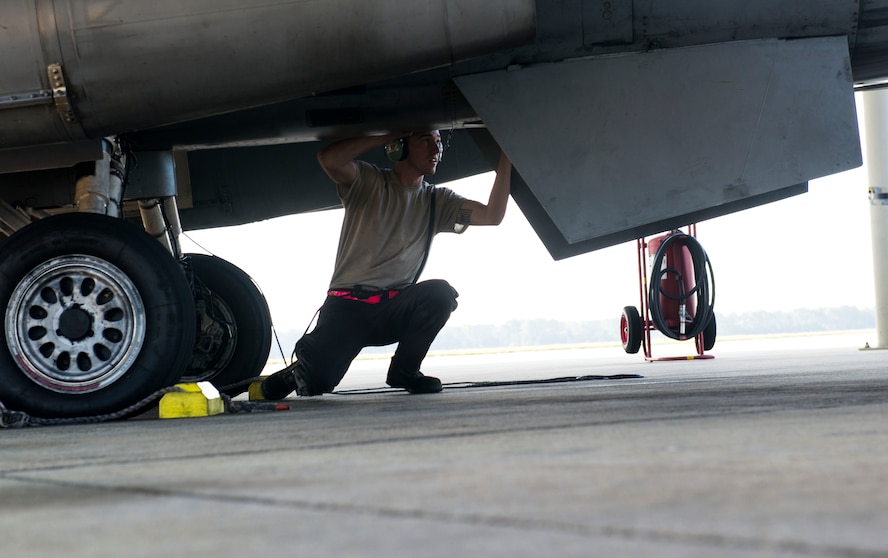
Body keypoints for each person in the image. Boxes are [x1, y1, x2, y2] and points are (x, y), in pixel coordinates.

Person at [260, 130, 512, 399]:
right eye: (426, 141)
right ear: (400, 147)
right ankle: (299, 370)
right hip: (348, 308)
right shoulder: (368, 182)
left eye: (438, 142)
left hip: (394, 308)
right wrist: (389, 134)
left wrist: (506, 158)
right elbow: (329, 159)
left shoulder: (438, 200)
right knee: (318, 383)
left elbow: (491, 215)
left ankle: (405, 370)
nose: (435, 150)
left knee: (441, 294)